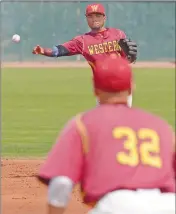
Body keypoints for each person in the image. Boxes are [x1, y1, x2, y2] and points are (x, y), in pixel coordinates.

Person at [37, 56, 175, 214]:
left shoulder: (83, 124)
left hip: (117, 206)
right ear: (131, 87)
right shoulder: (161, 126)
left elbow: (61, 183)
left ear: (95, 90)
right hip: (168, 205)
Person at [32, 3, 137, 107]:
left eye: (98, 15)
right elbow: (59, 50)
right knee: (105, 121)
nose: (94, 19)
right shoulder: (82, 41)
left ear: (104, 18)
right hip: (103, 88)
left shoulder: (118, 34)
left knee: (121, 120)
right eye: (90, 16)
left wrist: (130, 58)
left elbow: (128, 59)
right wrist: (43, 51)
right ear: (86, 19)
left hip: (122, 87)